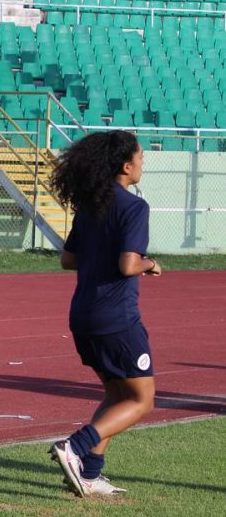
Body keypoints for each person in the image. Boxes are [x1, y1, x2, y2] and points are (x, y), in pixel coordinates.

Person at [48, 130, 161, 497]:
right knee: (142, 399)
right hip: (116, 318)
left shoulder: (91, 205)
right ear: (126, 166)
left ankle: (90, 474)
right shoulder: (134, 207)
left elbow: (68, 259)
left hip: (82, 314)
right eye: (141, 157)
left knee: (116, 393)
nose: (143, 163)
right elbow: (128, 264)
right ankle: (75, 447)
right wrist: (151, 264)